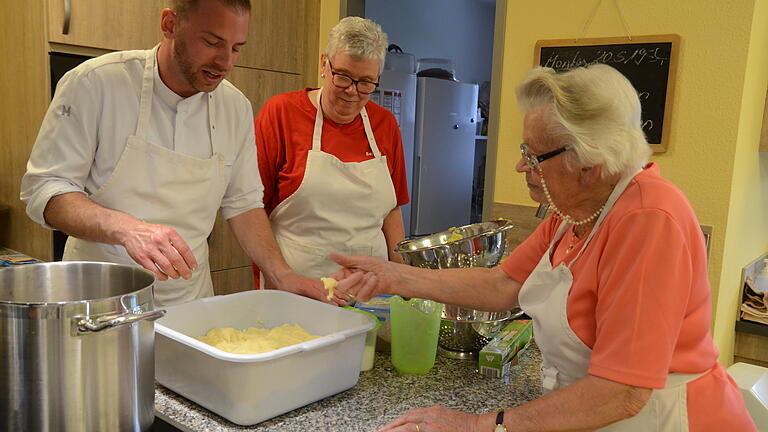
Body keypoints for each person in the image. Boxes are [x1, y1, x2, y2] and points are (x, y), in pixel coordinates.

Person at [330, 64, 757, 431]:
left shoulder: (648, 219)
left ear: (586, 164)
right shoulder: (575, 209)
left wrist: (480, 423)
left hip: (666, 420)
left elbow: (621, 392)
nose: (521, 166)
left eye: (533, 155)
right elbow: (501, 284)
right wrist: (394, 275)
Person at [20, 0, 320, 306]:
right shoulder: (96, 83)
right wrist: (127, 229)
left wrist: (281, 274)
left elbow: (243, 202)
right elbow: (46, 189)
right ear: (170, 24)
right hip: (99, 298)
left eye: (236, 48)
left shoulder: (235, 107)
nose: (225, 62)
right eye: (212, 42)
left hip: (189, 300)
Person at [253, 17, 409, 295]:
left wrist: (403, 280)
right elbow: (251, 209)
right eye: (344, 77)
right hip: (297, 288)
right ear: (324, 64)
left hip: (371, 292)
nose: (353, 91)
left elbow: (392, 209)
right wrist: (282, 276)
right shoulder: (281, 114)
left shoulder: (385, 124)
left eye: (366, 83)